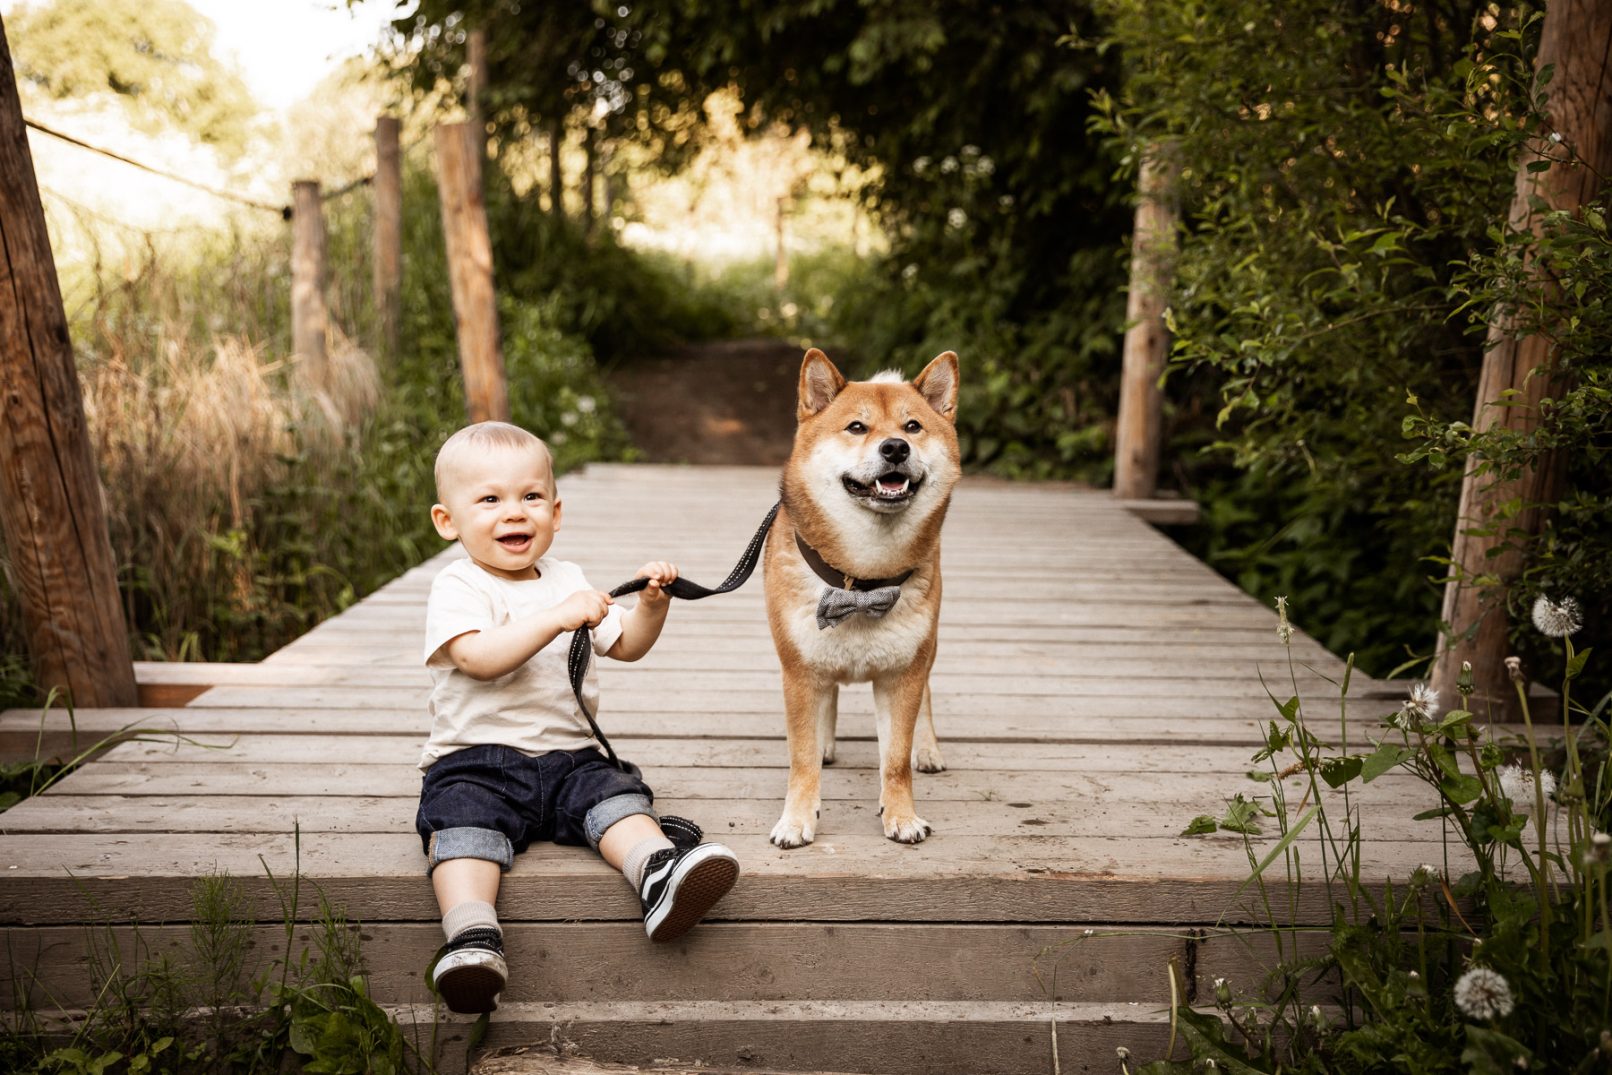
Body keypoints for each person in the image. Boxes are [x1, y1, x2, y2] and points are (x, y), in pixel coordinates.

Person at [416, 420, 740, 1015]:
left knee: (616, 795)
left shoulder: (569, 579)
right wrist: (554, 619)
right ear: (448, 520)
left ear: (556, 512)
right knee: (461, 825)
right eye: (489, 499)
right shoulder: (458, 584)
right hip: (476, 762)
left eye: (530, 497)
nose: (514, 512)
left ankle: (658, 873)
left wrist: (651, 604)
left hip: (570, 759)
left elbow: (626, 646)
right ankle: (471, 937)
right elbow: (476, 658)